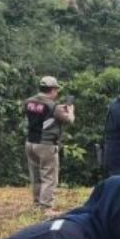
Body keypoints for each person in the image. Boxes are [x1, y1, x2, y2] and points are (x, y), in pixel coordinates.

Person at [23, 76, 74, 215]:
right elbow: (69, 120)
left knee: (36, 176)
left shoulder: (28, 102)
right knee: (49, 177)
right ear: (52, 90)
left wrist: (59, 109)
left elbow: (41, 113)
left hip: (30, 143)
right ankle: (46, 208)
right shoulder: (54, 107)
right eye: (56, 89)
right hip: (46, 145)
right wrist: (70, 110)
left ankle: (37, 204)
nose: (57, 92)